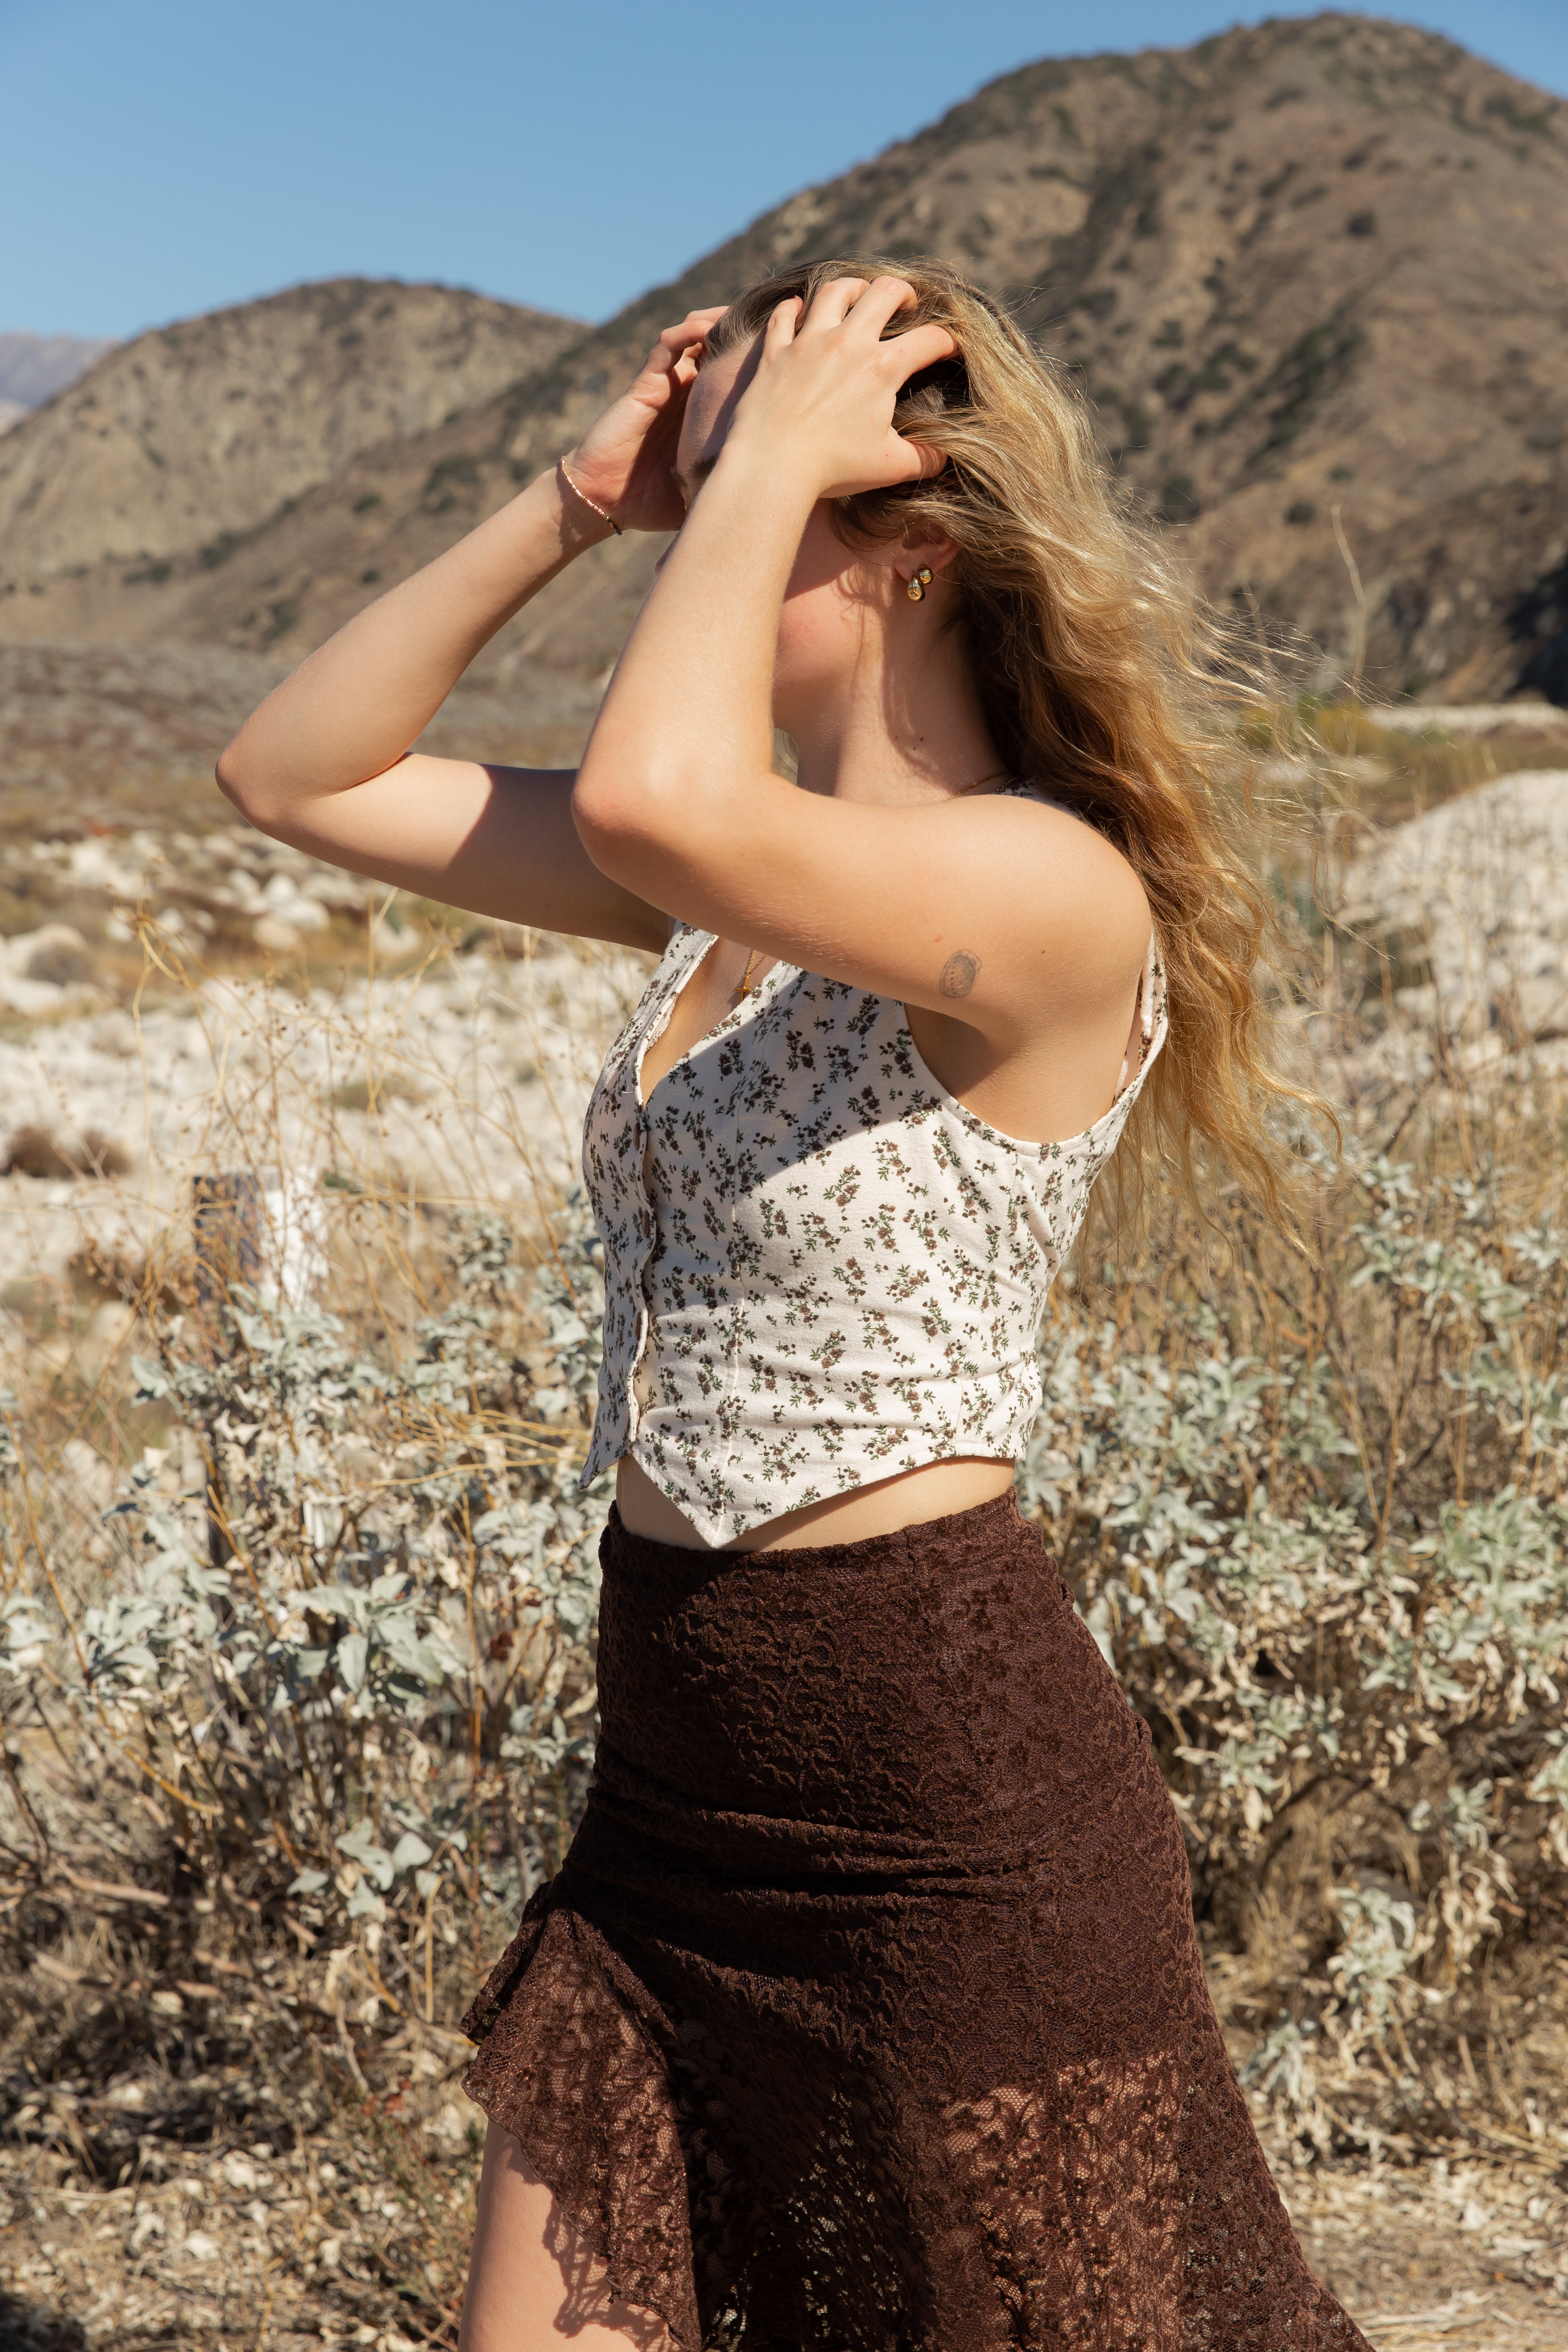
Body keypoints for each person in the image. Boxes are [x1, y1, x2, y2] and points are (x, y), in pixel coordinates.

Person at [218, 260, 1366, 2352]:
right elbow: (295, 775)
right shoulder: (719, 896)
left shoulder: (1046, 889)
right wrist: (579, 500)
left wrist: (752, 472)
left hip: (943, 1819)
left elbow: (667, 792)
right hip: (672, 1788)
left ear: (914, 545)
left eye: (753, 481)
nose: (705, 510)